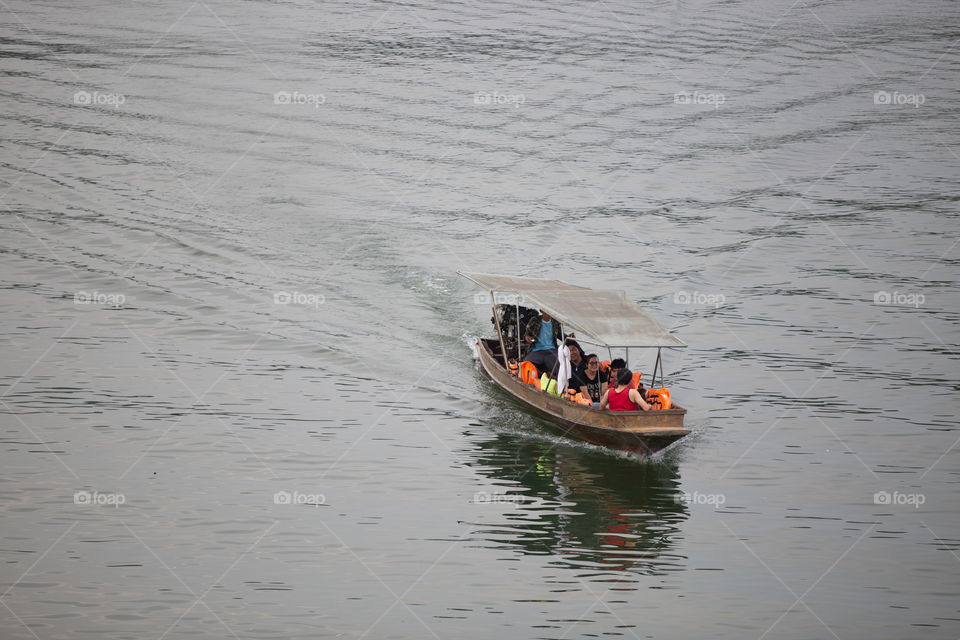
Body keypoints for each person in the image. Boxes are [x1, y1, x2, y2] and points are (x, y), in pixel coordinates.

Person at [522, 309, 564, 379]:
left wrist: (569, 337)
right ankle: (543, 375)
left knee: (559, 366)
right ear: (541, 310)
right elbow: (526, 335)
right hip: (536, 350)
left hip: (552, 350)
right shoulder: (535, 320)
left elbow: (560, 335)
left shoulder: (555, 322)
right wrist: (528, 338)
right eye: (545, 310)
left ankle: (556, 383)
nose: (548, 312)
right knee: (526, 363)